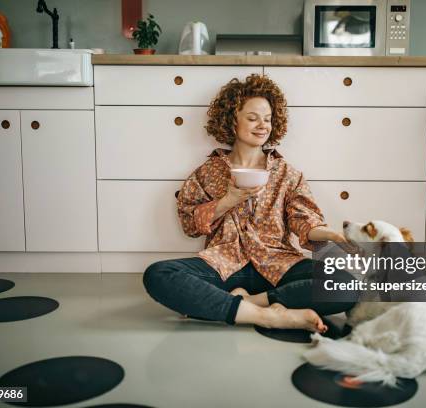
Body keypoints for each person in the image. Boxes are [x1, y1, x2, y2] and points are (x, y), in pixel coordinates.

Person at [143, 74, 358, 333]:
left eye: (267, 119)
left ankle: (247, 303)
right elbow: (189, 223)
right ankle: (269, 316)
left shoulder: (287, 174)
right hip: (223, 263)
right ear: (232, 120)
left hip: (278, 263)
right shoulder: (206, 173)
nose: (262, 126)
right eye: (253, 118)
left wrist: (331, 234)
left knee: (347, 285)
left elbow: (304, 220)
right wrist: (228, 200)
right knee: (159, 275)